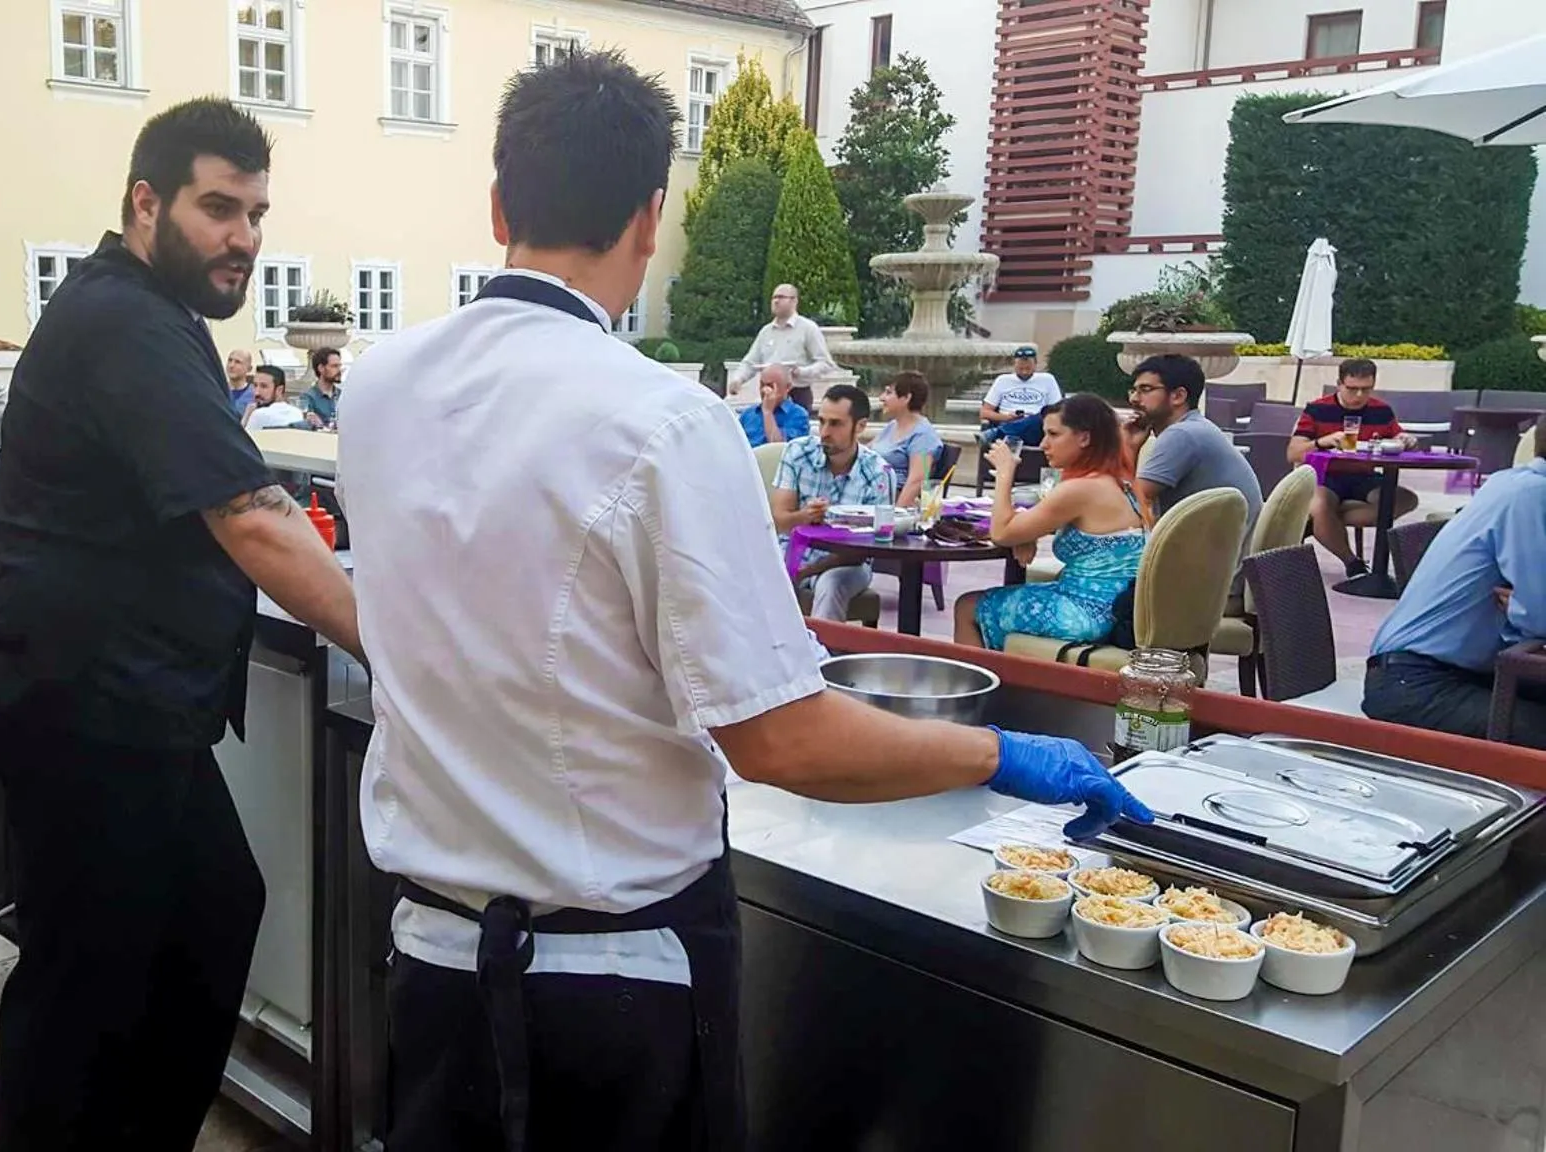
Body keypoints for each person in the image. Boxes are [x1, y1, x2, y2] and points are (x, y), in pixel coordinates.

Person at [337, 51, 1151, 1152]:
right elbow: (781, 739)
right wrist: (1004, 757)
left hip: (429, 968)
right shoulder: (662, 420)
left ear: (496, 207)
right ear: (649, 219)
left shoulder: (381, 384)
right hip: (607, 993)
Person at [0, 99, 362, 1150]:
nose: (245, 237)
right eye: (218, 208)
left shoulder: (153, 310)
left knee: (208, 917)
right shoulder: (125, 320)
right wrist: (408, 643)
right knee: (86, 990)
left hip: (131, 703)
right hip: (85, 705)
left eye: (257, 213)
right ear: (146, 203)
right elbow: (251, 514)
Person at [1363, 457, 1546, 747]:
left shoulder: (1509, 481)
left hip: (1465, 673)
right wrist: (1531, 609)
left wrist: (1527, 607)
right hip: (1416, 683)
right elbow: (1539, 616)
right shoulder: (1532, 495)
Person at [956, 395, 1145, 650]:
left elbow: (1000, 533)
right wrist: (1027, 533)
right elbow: (1051, 522)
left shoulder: (1081, 488)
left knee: (967, 607)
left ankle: (980, 688)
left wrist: (1004, 474)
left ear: (1084, 438)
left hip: (1089, 612)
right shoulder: (1120, 481)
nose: (1044, 444)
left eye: (1054, 434)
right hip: (1119, 607)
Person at [772, 384, 893, 620]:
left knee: (831, 583)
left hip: (847, 563)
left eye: (836, 424)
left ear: (860, 426)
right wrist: (804, 517)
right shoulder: (798, 453)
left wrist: (806, 571)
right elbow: (779, 520)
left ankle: (824, 655)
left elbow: (866, 548)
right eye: (822, 421)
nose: (825, 432)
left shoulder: (877, 473)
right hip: (792, 552)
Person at [1289, 359, 1417, 576]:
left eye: (1366, 389)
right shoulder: (1318, 409)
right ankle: (1352, 563)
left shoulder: (1382, 411)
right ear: (1339, 384)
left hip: (1363, 476)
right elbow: (1293, 453)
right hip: (1326, 475)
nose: (1359, 396)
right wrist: (1323, 441)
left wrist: (1404, 439)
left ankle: (1326, 522)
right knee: (1320, 505)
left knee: (1405, 499)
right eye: (1352, 389)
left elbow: (1396, 437)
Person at [1125, 354, 1261, 534]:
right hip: (1221, 551)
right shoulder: (1195, 427)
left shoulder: (1182, 435)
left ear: (1178, 396)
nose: (1134, 399)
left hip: (1208, 559)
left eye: (1146, 389)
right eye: (1133, 390)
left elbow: (1126, 504)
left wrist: (1126, 447)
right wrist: (1133, 447)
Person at [726, 282, 837, 401]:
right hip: (767, 392)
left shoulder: (808, 328)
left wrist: (801, 372)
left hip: (796, 394)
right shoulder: (766, 331)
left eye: (781, 297)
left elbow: (826, 364)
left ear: (794, 301)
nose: (776, 301)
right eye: (774, 297)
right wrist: (738, 379)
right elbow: (750, 362)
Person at [868, 371, 945, 508]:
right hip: (873, 495)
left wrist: (895, 516)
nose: (881, 398)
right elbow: (865, 453)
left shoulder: (923, 435)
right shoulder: (892, 426)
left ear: (906, 398)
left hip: (890, 503)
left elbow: (917, 480)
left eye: (888, 392)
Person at [978, 345, 1061, 447]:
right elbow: (984, 413)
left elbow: (1058, 410)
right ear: (1014, 365)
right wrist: (1007, 418)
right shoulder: (1003, 380)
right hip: (1007, 423)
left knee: (1038, 418)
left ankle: (996, 434)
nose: (1024, 372)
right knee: (1015, 433)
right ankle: (1006, 434)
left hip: (1037, 427)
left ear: (1035, 364)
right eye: (1021, 368)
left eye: (1028, 368)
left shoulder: (1047, 380)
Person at [739, 371, 811, 446]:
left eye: (771, 386)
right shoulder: (748, 414)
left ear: (787, 387)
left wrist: (768, 413)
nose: (764, 390)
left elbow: (779, 449)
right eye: (762, 385)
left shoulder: (798, 415)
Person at [245, 363, 307, 430]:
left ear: (279, 390)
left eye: (264, 386)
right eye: (255, 385)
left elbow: (240, 439)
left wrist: (247, 415)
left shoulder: (259, 414)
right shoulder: (297, 413)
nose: (257, 392)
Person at [299, 346, 343, 428]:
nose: (339, 370)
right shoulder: (308, 397)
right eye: (334, 366)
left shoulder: (343, 395)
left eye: (339, 366)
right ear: (321, 368)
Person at [224, 347, 256, 423]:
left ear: (249, 368)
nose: (231, 365)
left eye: (237, 362)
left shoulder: (254, 394)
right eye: (230, 360)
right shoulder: (218, 390)